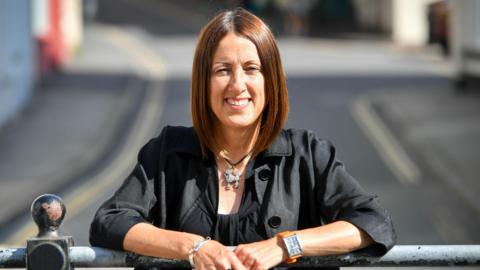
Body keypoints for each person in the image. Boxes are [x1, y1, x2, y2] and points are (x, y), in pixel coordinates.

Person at [89, 8, 396, 270]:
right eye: (223, 70)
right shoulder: (168, 152)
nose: (237, 85)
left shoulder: (307, 154)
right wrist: (193, 247)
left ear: (271, 81)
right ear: (203, 83)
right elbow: (109, 221)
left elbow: (373, 222)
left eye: (252, 69)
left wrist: (286, 244)